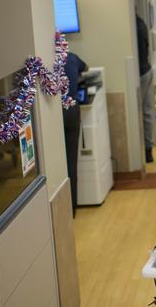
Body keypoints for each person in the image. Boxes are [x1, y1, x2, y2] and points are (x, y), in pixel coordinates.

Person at [63, 51, 87, 217]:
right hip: (72, 109)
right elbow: (87, 67)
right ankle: (72, 208)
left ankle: (63, 209)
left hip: (56, 113)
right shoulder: (70, 57)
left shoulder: (47, 61)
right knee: (71, 161)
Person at [136, 13, 155, 163]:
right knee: (147, 111)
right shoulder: (141, 22)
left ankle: (143, 152)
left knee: (138, 113)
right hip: (147, 70)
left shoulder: (131, 25)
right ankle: (148, 151)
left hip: (140, 73)